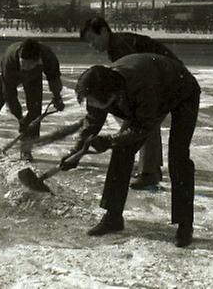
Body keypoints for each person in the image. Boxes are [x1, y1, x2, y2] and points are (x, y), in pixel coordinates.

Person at [67, 54, 200, 246]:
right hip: (149, 90)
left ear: (112, 96)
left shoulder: (142, 88)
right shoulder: (98, 86)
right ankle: (113, 217)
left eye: (96, 102)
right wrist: (77, 151)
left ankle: (185, 224)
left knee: (178, 158)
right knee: (122, 151)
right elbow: (93, 122)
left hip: (181, 92)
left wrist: (111, 139)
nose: (93, 106)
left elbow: (143, 127)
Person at [80, 16, 180, 191]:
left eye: (92, 39)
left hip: (167, 80)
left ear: (103, 31)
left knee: (142, 121)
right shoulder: (116, 44)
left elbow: (137, 79)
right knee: (139, 123)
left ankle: (149, 174)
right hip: (160, 79)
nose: (92, 45)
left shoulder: (121, 46)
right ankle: (150, 169)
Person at [0, 39, 65, 160]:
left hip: (34, 76)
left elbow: (54, 77)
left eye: (29, 64)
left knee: (35, 109)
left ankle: (26, 148)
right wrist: (20, 117)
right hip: (10, 73)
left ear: (38, 60)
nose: (25, 68)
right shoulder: (10, 59)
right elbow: (9, 94)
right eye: (23, 63)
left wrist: (57, 96)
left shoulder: (48, 56)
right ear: (20, 57)